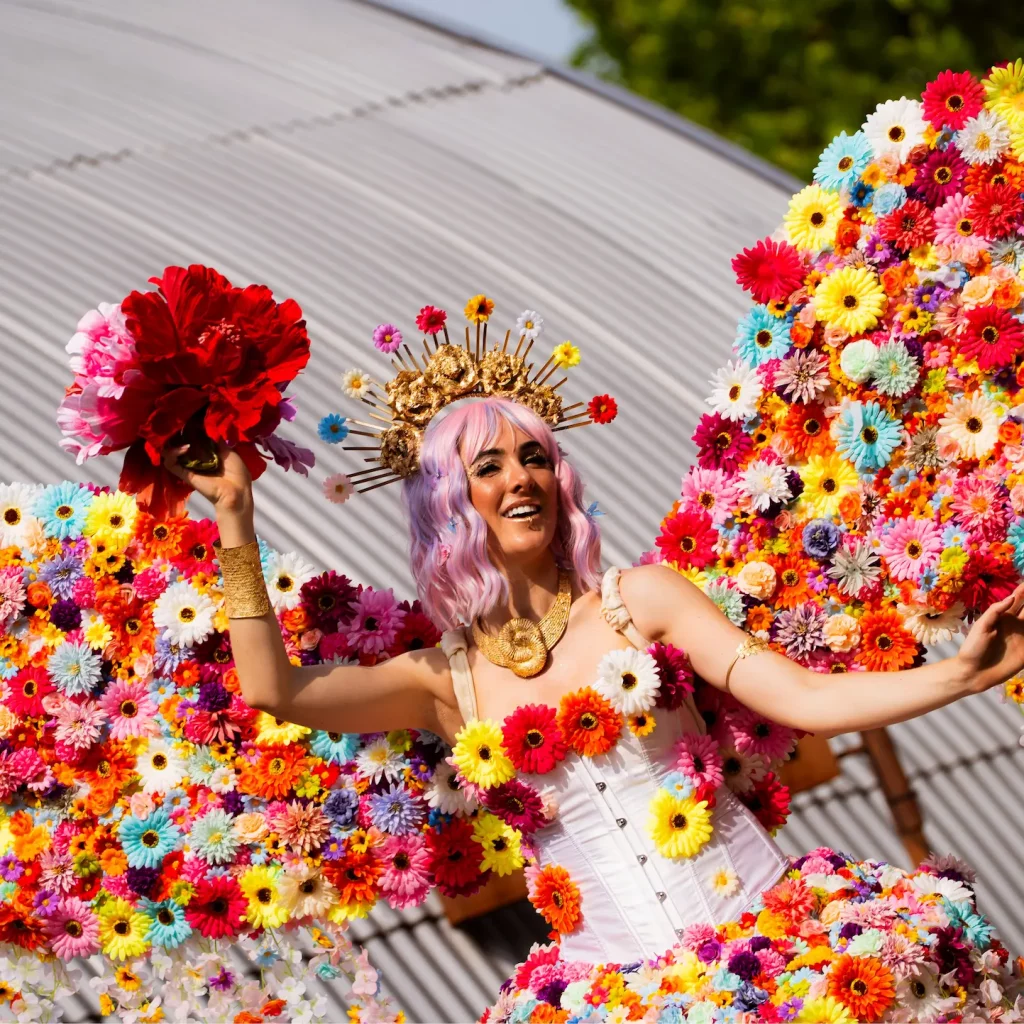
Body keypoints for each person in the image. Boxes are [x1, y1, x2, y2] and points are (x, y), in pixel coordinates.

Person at [164, 395, 1024, 1022]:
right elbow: (275, 689)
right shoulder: (443, 681)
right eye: (488, 467)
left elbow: (799, 695)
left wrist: (957, 677)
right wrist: (235, 517)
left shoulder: (641, 600)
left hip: (778, 954)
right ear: (449, 505)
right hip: (611, 995)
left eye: (534, 457)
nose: (520, 478)